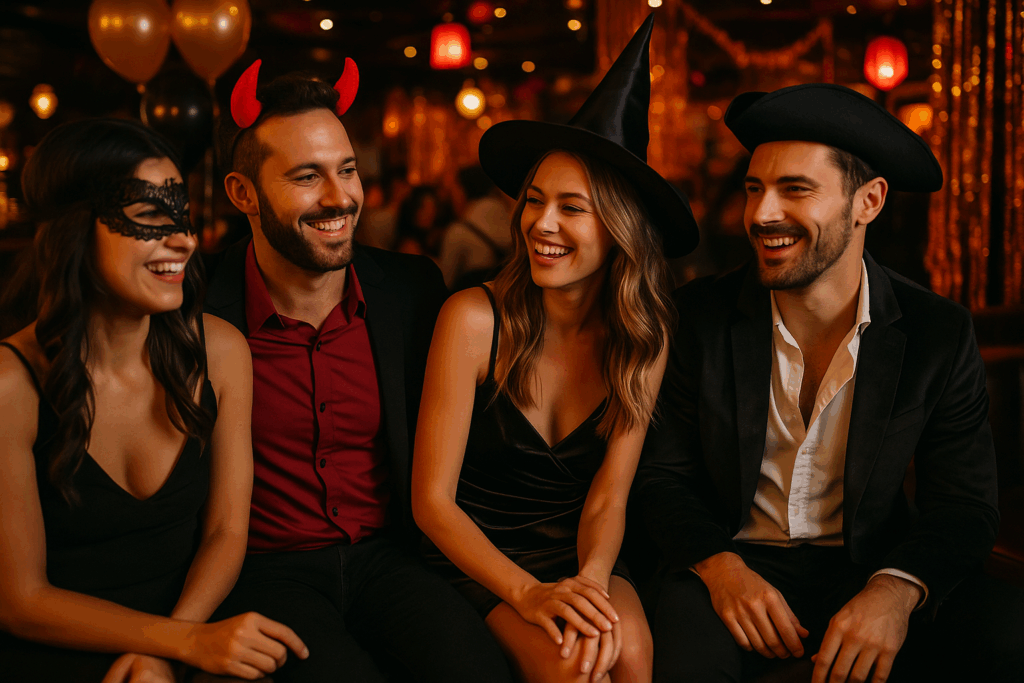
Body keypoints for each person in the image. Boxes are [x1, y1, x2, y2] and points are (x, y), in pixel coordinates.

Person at [637, 83, 1024, 683]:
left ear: (867, 201)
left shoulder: (935, 332)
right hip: (731, 561)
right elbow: (660, 478)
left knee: (1007, 633)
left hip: (870, 564)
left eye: (795, 190)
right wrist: (719, 569)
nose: (762, 214)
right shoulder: (696, 317)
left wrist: (896, 592)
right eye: (753, 189)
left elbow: (965, 506)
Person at [205, 60, 513, 682]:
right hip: (264, 568)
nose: (339, 197)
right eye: (306, 177)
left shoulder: (410, 289)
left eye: (346, 170)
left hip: (390, 557)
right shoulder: (198, 307)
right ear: (243, 194)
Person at [412, 16, 698, 683]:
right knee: (574, 665)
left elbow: (608, 496)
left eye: (573, 207)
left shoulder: (643, 337)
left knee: (629, 652)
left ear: (618, 227)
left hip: (579, 555)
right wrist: (529, 592)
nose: (541, 223)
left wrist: (592, 582)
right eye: (535, 201)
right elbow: (432, 502)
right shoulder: (472, 318)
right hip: (481, 562)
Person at [0, 118, 306, 682]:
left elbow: (225, 532)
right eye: (148, 217)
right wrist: (181, 641)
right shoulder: (10, 384)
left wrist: (175, 645)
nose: (184, 239)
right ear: (74, 232)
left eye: (181, 214)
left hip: (189, 635)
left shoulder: (220, 350)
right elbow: (21, 601)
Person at [437, 165, 512, 290]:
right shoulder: (513, 223)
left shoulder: (459, 231)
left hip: (470, 304)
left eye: (455, 189)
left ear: (464, 190)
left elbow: (444, 283)